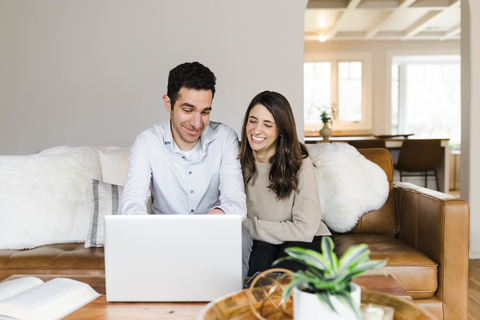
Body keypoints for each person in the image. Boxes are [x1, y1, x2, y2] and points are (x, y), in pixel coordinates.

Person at [119, 61, 252, 276]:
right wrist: (152, 231)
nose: (197, 123)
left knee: (240, 235)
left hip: (213, 233)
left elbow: (235, 201)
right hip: (163, 237)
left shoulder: (225, 138)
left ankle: (229, 305)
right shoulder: (147, 142)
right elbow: (131, 203)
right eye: (188, 110)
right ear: (168, 103)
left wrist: (203, 226)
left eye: (205, 112)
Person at [239, 91, 331, 276]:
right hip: (264, 239)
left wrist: (248, 226)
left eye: (268, 124)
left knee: (288, 271)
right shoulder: (236, 160)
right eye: (253, 120)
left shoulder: (299, 161)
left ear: (281, 130)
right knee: (257, 266)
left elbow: (305, 230)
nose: (256, 130)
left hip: (306, 238)